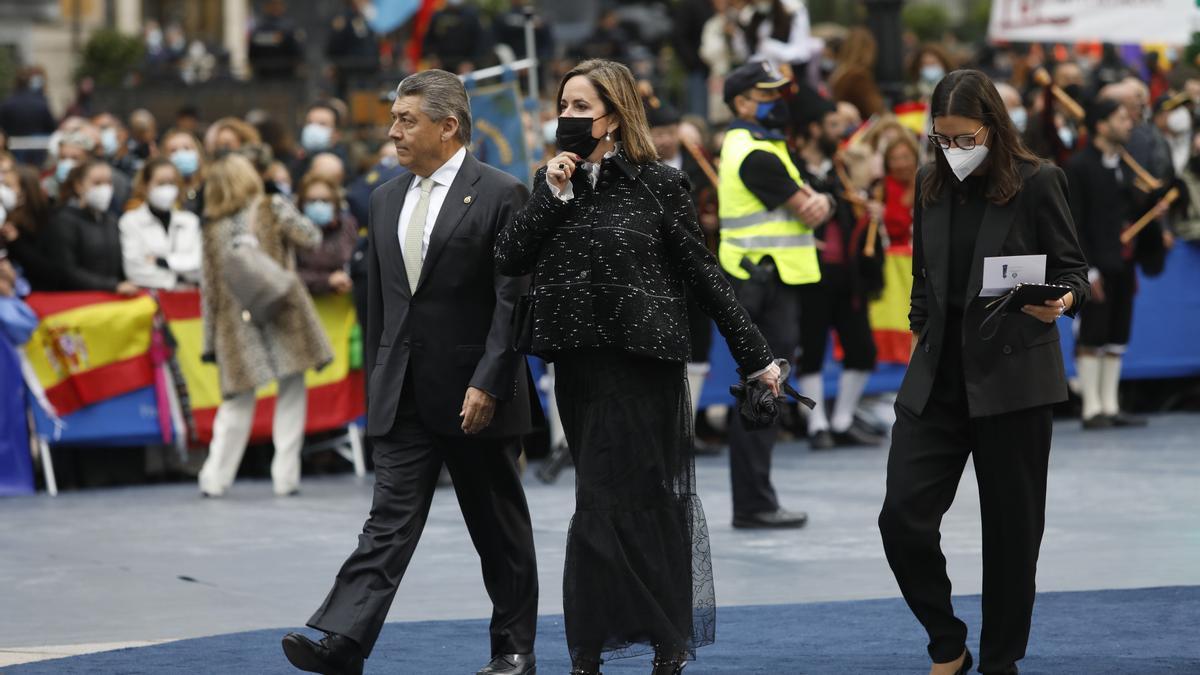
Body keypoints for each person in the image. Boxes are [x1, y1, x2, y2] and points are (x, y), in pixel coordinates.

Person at [494, 58, 779, 675]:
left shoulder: (661, 183)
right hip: (580, 366)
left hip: (646, 363)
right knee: (595, 498)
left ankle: (668, 640)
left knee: (653, 497)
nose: (566, 118)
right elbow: (511, 255)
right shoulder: (551, 182)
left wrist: (756, 356)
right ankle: (590, 646)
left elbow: (703, 274)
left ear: (614, 117)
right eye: (562, 106)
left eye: (580, 108)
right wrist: (553, 194)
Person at [284, 70, 540, 675]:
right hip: (402, 394)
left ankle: (513, 650)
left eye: (406, 119)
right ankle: (343, 642)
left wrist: (490, 382)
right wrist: (378, 382)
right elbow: (384, 306)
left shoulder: (502, 193)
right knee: (387, 523)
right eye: (394, 118)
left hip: (475, 395)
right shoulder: (383, 196)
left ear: (448, 126)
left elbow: (512, 301)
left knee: (498, 529)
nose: (393, 130)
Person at [877, 70, 1090, 675]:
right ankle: (948, 642)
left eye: (964, 139)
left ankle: (1000, 662)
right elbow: (924, 278)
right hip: (937, 384)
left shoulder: (1040, 181)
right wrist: (923, 327)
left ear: (993, 128)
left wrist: (1064, 301)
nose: (953, 152)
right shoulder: (928, 184)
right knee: (902, 520)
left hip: (1014, 383)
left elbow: (1075, 270)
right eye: (941, 140)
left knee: (1012, 538)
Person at [717, 60, 829, 529]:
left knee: (763, 392)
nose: (777, 103)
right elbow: (811, 208)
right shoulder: (755, 153)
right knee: (763, 393)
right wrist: (824, 201)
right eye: (767, 96)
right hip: (762, 284)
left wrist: (823, 199)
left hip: (767, 282)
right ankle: (755, 504)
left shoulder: (763, 145)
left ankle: (757, 500)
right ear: (742, 102)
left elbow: (815, 199)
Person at [196, 154, 333, 497]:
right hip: (282, 310)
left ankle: (215, 478)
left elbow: (209, 288)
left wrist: (210, 341)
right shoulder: (273, 207)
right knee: (291, 393)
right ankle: (285, 477)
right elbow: (311, 237)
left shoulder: (211, 228)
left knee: (237, 402)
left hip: (235, 321)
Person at [1065, 98, 1168, 430]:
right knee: (1092, 335)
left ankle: (1109, 405)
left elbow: (1130, 214)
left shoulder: (1125, 168)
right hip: (1095, 265)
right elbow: (1074, 223)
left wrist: (1154, 212)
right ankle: (1091, 408)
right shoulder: (1078, 167)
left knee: (1116, 335)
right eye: (1122, 118)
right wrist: (1086, 269)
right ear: (1101, 125)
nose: (1129, 124)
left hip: (1123, 262)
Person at [790, 94, 883, 449]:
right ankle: (817, 424)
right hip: (810, 275)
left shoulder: (841, 170)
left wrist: (869, 213)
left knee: (862, 350)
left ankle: (842, 419)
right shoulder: (793, 170)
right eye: (831, 126)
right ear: (814, 130)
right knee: (811, 350)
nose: (839, 132)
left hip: (848, 274)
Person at [46, 159, 138, 295]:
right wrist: (112, 286)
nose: (104, 189)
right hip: (78, 300)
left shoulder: (111, 220)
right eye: (97, 183)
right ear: (79, 186)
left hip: (112, 298)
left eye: (108, 183)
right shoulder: (64, 220)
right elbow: (67, 270)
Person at [119, 157, 202, 289]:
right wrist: (178, 278)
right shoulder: (130, 221)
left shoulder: (190, 221)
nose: (167, 188)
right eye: (161, 183)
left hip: (190, 298)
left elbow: (199, 264)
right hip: (152, 299)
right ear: (145, 186)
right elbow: (135, 271)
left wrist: (162, 261)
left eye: (171, 183)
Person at [294, 172, 357, 297]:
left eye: (325, 200)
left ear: (335, 203)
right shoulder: (292, 232)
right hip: (305, 305)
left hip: (344, 306)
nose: (318, 205)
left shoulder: (347, 226)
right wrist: (327, 280)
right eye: (312, 201)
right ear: (302, 203)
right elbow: (288, 274)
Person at [1, 164, 58, 292]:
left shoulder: (48, 219)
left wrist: (16, 241)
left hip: (38, 290)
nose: (3, 191)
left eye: (8, 186)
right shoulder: (6, 216)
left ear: (25, 192)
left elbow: (48, 268)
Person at [0, 66, 57, 166]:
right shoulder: (41, 103)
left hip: (14, 155)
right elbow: (52, 127)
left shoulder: (7, 103)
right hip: (37, 156)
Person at [249, 0, 305, 80]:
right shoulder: (259, 28)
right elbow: (252, 53)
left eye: (277, 5)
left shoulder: (289, 28)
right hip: (266, 76)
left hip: (284, 75)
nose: (275, 8)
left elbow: (297, 53)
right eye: (273, 5)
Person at [162, 129, 206, 216]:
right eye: (173, 150)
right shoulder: (162, 193)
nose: (181, 153)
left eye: (187, 148)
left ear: (198, 153)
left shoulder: (209, 187)